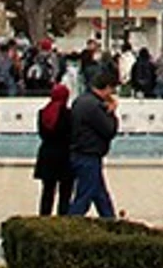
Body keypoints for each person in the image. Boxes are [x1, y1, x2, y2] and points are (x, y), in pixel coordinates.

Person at [65, 68, 121, 218]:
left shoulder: (80, 101)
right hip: (89, 155)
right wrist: (112, 113)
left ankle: (110, 221)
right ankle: (70, 225)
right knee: (85, 196)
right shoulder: (94, 106)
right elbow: (109, 130)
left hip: (80, 153)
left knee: (100, 195)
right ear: (107, 87)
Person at [33, 83, 75, 217]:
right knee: (65, 193)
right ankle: (62, 220)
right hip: (65, 156)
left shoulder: (43, 113)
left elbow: (42, 134)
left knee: (47, 192)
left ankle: (44, 219)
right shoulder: (69, 115)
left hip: (47, 155)